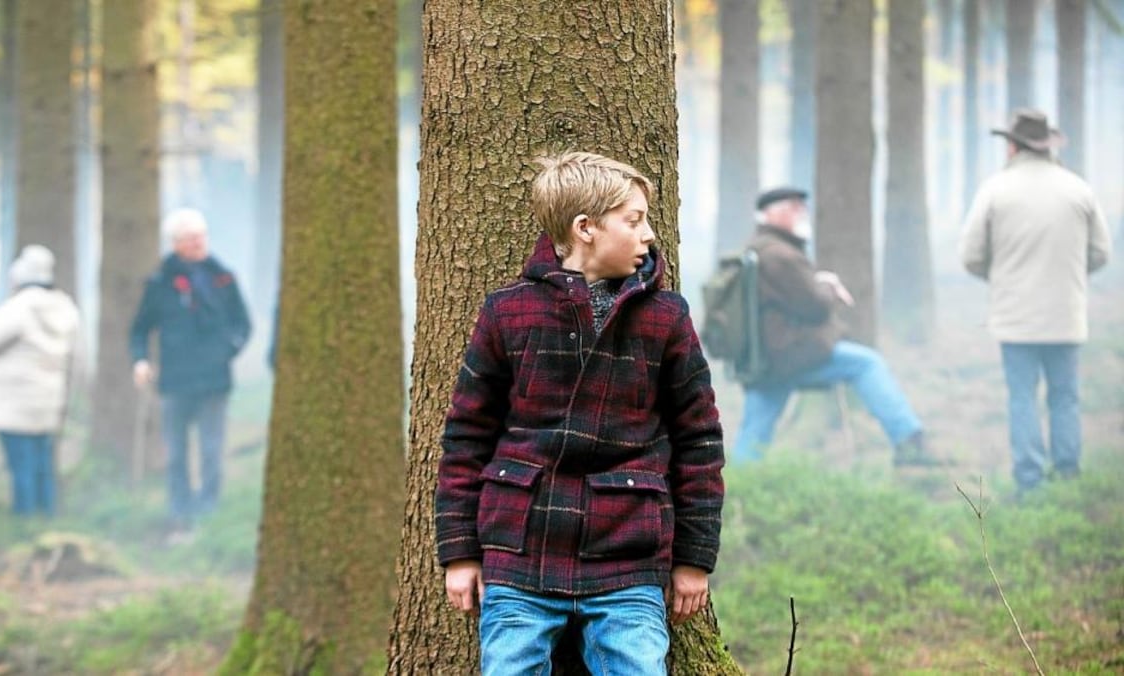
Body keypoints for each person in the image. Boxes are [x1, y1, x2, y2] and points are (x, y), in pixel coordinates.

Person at [434, 152, 725, 674]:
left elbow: (699, 441)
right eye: (633, 221)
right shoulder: (508, 312)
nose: (648, 235)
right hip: (518, 551)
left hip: (629, 556)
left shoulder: (666, 317)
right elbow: (466, 436)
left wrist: (693, 559)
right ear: (585, 228)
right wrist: (459, 552)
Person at [959, 108, 1111, 495]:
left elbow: (971, 256)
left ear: (1013, 147)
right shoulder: (1079, 189)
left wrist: (1004, 276)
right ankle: (1068, 475)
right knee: (1065, 397)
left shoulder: (995, 190)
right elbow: (1100, 253)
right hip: (1066, 314)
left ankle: (1029, 482)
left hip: (1016, 318)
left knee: (1022, 396)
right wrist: (1068, 274)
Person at [731, 187, 939, 467]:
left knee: (755, 431)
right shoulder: (780, 255)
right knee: (867, 363)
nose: (801, 213)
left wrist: (816, 283)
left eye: (801, 207)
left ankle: (738, 487)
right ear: (772, 215)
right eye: (793, 208)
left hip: (765, 357)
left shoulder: (757, 249)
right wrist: (827, 287)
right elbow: (814, 305)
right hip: (788, 354)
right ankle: (910, 443)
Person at [130, 208, 251, 535]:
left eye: (201, 236)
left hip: (214, 379)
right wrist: (141, 361)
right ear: (176, 243)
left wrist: (228, 349)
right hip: (175, 381)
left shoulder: (223, 278)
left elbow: (243, 323)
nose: (198, 243)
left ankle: (208, 511)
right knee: (176, 451)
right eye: (190, 238)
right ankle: (179, 510)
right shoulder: (160, 283)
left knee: (212, 449)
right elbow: (140, 329)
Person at [0, 245, 80, 517]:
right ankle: (47, 514)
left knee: (21, 464)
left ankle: (25, 518)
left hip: (14, 402)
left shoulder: (19, 307)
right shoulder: (65, 307)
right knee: (42, 462)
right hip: (49, 398)